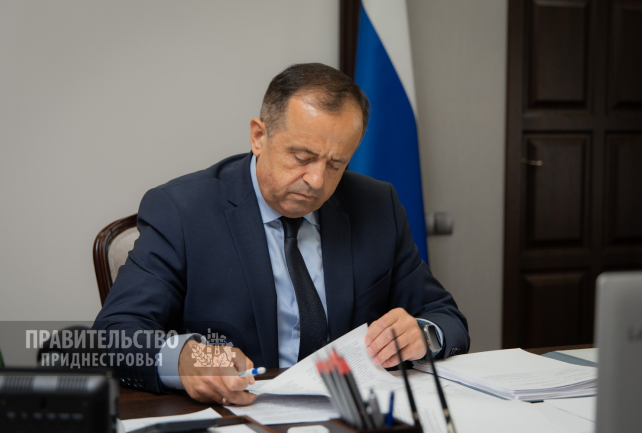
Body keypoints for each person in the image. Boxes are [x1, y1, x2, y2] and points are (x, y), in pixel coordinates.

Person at [93, 63, 469, 406]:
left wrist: (423, 335)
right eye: (302, 157)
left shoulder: (376, 205)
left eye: (336, 164)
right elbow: (114, 335)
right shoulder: (183, 211)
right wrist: (187, 358)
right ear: (259, 136)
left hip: (351, 414)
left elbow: (446, 317)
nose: (317, 181)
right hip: (237, 413)